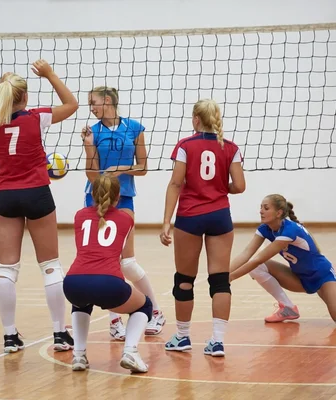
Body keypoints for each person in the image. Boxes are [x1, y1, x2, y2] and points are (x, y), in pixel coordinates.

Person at [0, 59, 78, 353]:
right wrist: (50, 74)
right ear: (26, 97)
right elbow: (71, 104)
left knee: (6, 268)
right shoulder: (37, 117)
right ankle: (59, 333)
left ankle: (9, 337)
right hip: (38, 193)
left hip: (7, 196)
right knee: (51, 266)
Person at [229, 194, 336, 326]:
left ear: (279, 212)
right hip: (299, 277)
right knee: (257, 268)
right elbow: (246, 254)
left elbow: (258, 257)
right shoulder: (265, 229)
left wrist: (228, 279)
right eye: (261, 207)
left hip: (321, 276)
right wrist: (223, 273)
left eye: (266, 208)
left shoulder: (289, 231)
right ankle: (287, 308)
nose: (261, 211)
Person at [160, 99, 245, 357]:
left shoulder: (186, 145)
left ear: (196, 119)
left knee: (184, 279)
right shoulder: (230, 147)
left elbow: (175, 184)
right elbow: (239, 186)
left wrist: (166, 222)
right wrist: (220, 188)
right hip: (220, 216)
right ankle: (217, 341)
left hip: (190, 217)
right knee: (219, 280)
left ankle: (183, 337)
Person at [80, 86, 165, 339]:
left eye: (93, 103)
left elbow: (143, 168)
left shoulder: (134, 128)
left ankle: (156, 311)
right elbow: (92, 175)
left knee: (126, 262)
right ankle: (115, 319)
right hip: (95, 199)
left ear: (107, 101)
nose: (91, 108)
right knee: (101, 262)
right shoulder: (92, 132)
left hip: (124, 197)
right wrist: (87, 147)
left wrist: (121, 168)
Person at [63, 174, 152, 373]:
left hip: (73, 282)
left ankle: (78, 355)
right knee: (144, 305)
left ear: (92, 194)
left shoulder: (79, 216)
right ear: (118, 196)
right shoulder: (126, 219)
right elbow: (126, 260)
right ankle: (130, 352)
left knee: (81, 303)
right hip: (109, 282)